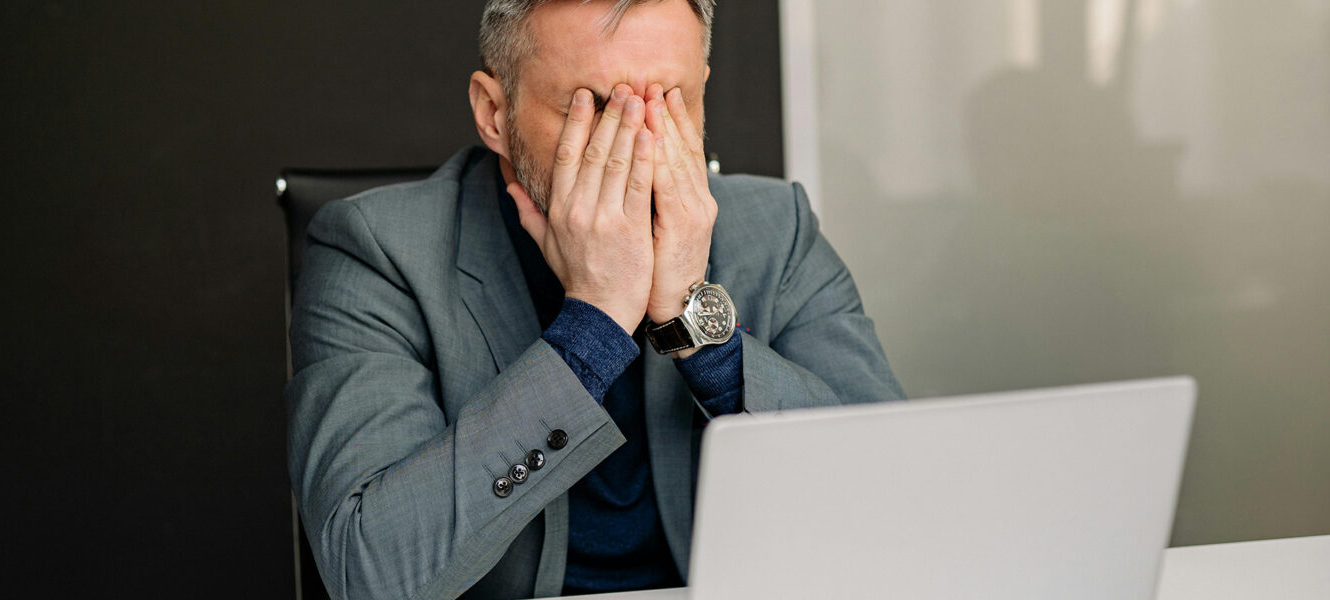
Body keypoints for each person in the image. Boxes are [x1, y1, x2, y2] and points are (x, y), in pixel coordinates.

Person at [284, 1, 904, 598]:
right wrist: (595, 324)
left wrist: (697, 322)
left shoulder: (777, 229)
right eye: (595, 107)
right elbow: (368, 573)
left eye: (671, 100)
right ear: (494, 113)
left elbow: (901, 497)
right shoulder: (377, 250)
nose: (637, 144)